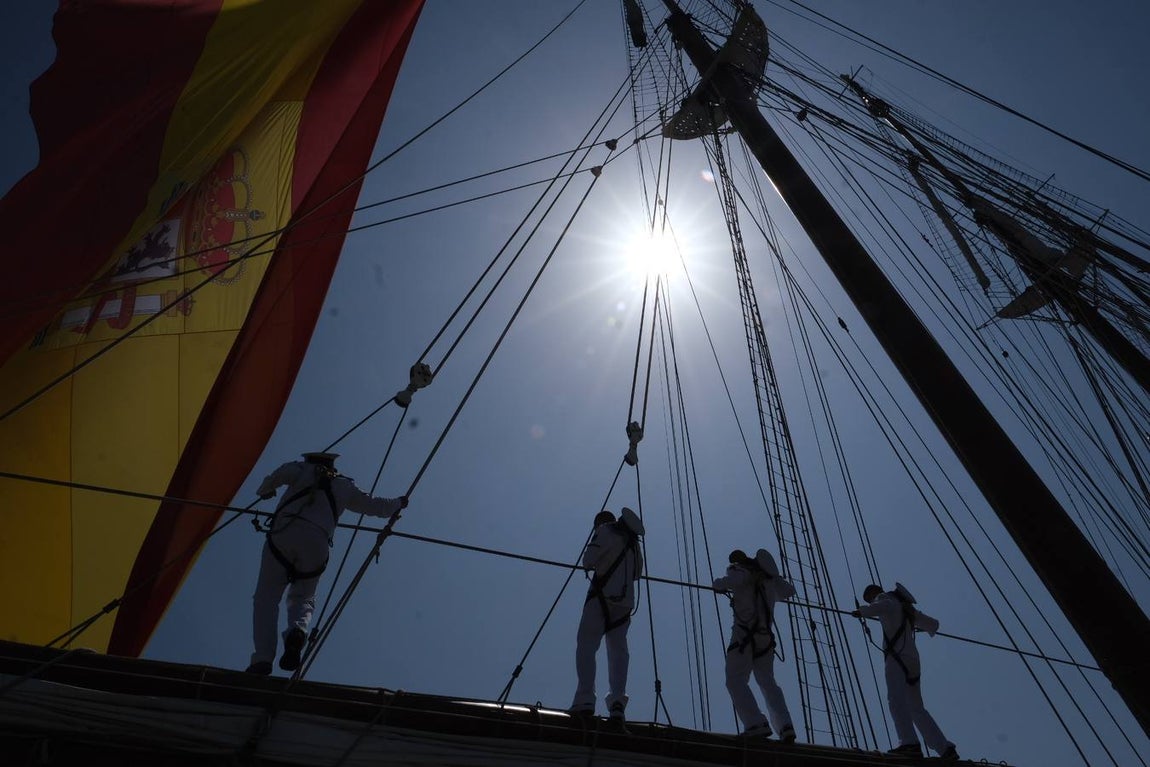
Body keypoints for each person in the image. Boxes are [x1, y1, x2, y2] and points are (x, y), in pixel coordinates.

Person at [245, 452, 408, 675]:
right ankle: (297, 631)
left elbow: (274, 479)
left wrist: (265, 491)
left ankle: (263, 658)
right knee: (303, 597)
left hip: (285, 534)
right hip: (318, 543)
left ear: (310, 460)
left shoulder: (299, 469)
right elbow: (375, 506)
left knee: (267, 597)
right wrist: (399, 503)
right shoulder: (344, 485)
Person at [851, 583, 958, 760]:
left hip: (896, 657)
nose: (871, 601)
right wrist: (918, 626)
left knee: (895, 698)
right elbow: (933, 624)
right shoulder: (906, 607)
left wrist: (861, 611)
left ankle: (909, 743)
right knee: (917, 708)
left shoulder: (883, 598)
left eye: (869, 598)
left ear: (873, 593)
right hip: (912, 660)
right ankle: (945, 748)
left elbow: (882, 606)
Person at [569, 507, 645, 732]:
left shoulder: (604, 531)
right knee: (618, 652)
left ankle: (585, 698)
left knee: (586, 645)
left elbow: (588, 561)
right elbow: (637, 573)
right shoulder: (633, 542)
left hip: (600, 598)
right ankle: (617, 704)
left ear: (599, 523)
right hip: (624, 605)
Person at [714, 548, 797, 742]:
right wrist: (772, 575)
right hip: (765, 640)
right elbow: (789, 591)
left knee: (735, 679)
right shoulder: (769, 580)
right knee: (768, 682)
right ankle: (785, 726)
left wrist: (719, 583)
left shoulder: (739, 571)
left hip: (744, 636)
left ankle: (755, 723)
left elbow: (721, 584)